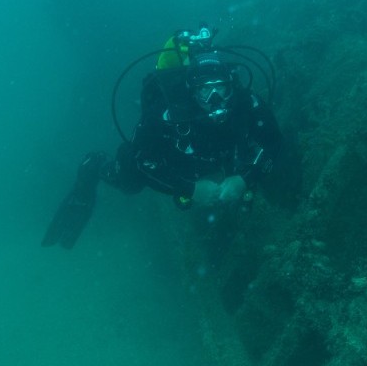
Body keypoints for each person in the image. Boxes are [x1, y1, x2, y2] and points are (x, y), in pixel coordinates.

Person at [42, 26, 283, 248]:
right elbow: (141, 158)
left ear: (232, 86)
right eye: (205, 91)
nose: (215, 100)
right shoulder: (166, 112)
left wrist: (244, 178)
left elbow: (273, 140)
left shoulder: (246, 102)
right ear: (191, 91)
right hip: (174, 159)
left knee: (256, 168)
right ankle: (94, 166)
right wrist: (189, 188)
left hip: (216, 155)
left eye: (220, 88)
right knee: (129, 180)